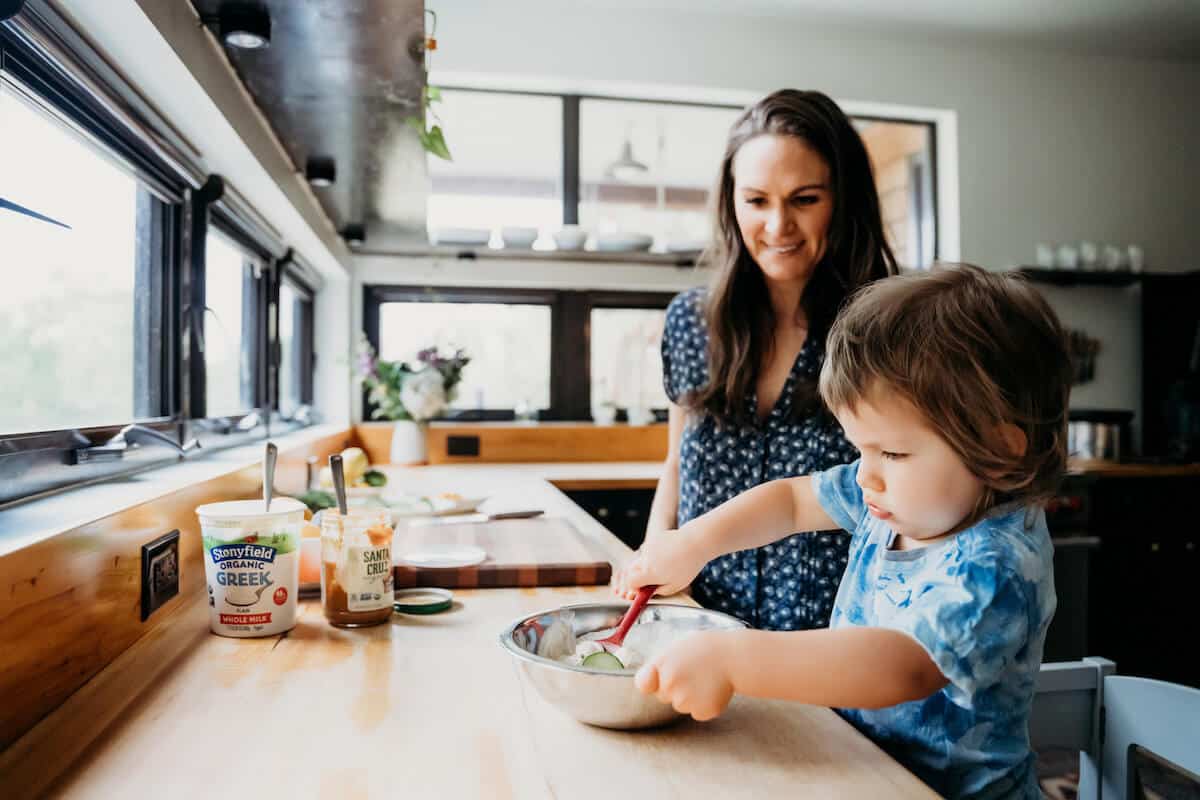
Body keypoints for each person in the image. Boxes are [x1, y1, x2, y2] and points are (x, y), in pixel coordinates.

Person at [617, 264, 1071, 800]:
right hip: (859, 771)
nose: (864, 473)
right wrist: (692, 544)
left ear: (998, 451)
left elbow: (901, 666)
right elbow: (790, 500)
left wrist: (733, 658)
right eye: (861, 448)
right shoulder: (899, 496)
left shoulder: (996, 562)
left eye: (893, 452)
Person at [647, 88, 898, 631]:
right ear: (732, 203)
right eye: (757, 200)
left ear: (844, 200)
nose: (778, 226)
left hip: (833, 641)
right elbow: (676, 464)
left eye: (805, 199)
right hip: (700, 624)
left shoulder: (889, 332)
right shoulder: (691, 320)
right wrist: (655, 558)